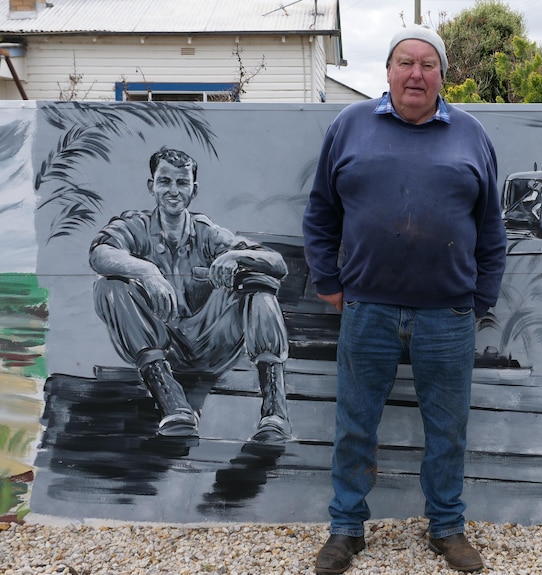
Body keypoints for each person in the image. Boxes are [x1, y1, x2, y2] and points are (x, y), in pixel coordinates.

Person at [302, 24, 507, 575]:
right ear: (387, 72)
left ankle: (446, 527)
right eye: (404, 62)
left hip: (449, 314)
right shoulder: (349, 126)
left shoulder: (471, 135)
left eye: (427, 64)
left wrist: (480, 296)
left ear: (443, 75)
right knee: (354, 424)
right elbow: (322, 211)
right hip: (366, 309)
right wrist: (328, 279)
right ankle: (346, 529)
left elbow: (491, 228)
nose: (415, 73)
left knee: (448, 429)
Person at [90, 147, 291, 442]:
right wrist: (148, 272)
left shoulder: (207, 233)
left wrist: (237, 256)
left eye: (182, 183)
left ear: (193, 190)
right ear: (152, 186)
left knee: (258, 285)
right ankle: (174, 405)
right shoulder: (135, 226)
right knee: (109, 286)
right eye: (165, 181)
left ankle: (275, 413)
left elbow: (277, 263)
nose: (173, 191)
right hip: (163, 348)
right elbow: (100, 254)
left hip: (212, 345)